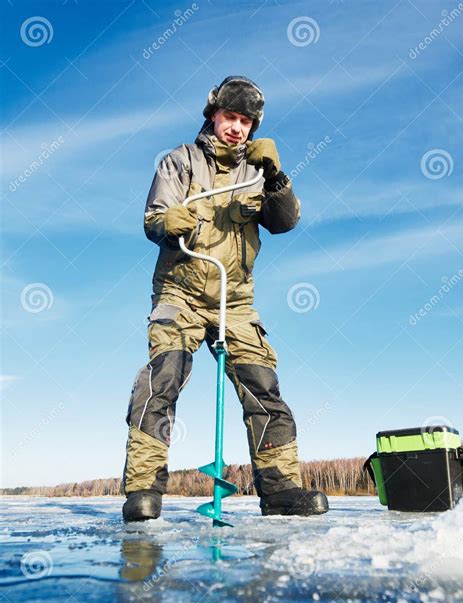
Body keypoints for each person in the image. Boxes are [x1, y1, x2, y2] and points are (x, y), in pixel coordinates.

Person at [121, 75, 329, 522]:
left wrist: (276, 177)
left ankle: (280, 491)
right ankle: (142, 491)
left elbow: (285, 221)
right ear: (213, 115)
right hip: (181, 290)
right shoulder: (179, 162)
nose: (237, 127)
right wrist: (166, 221)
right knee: (163, 379)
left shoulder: (257, 171)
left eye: (246, 121)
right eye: (230, 117)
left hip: (235, 301)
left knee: (264, 388)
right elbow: (153, 219)